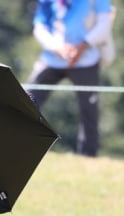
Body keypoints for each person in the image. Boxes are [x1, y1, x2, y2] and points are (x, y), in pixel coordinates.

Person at [26, 0, 114, 157]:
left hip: (86, 60)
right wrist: (56, 48)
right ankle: (22, 145)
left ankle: (88, 155)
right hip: (52, 59)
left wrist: (82, 46)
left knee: (89, 110)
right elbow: (40, 27)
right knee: (27, 100)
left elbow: (104, 25)